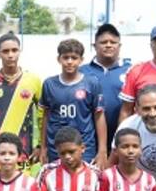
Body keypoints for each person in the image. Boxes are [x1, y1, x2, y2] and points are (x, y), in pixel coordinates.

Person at [0, 32, 43, 171]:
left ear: (20, 51)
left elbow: (44, 116)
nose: (10, 55)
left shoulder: (33, 81)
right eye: (5, 51)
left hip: (23, 155)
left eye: (14, 50)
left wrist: (41, 146)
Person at [39, 38, 106, 167]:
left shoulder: (92, 83)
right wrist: (43, 147)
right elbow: (46, 116)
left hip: (84, 146)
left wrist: (102, 150)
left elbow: (99, 115)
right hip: (56, 147)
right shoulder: (49, 84)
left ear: (81, 60)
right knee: (58, 184)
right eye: (66, 57)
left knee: (84, 184)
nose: (69, 62)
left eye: (74, 58)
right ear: (59, 59)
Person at [80, 23, 131, 150]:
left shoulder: (131, 71)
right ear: (94, 46)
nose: (108, 45)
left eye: (113, 42)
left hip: (122, 138)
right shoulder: (81, 72)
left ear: (119, 46)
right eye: (103, 42)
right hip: (88, 140)